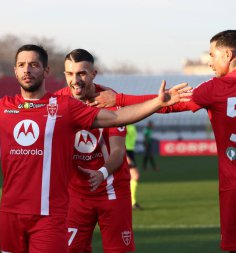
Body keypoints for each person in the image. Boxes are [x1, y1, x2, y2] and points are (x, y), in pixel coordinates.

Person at [0, 44, 190, 253]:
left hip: (50, 216)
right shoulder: (3, 107)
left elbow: (117, 116)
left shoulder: (65, 107)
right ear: (15, 71)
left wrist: (154, 103)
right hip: (10, 215)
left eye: (33, 65)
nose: (27, 70)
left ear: (45, 71)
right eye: (21, 65)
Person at [89, 30, 236, 253]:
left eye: (212, 55)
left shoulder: (215, 88)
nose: (210, 63)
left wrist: (118, 99)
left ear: (227, 54)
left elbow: (167, 104)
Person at [54, 49, 135, 252]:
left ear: (93, 73)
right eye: (70, 74)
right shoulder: (55, 103)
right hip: (75, 195)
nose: (75, 80)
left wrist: (101, 173)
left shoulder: (110, 100)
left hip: (112, 190)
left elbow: (117, 151)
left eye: (81, 73)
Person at [125, 124, 142, 210]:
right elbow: (119, 140)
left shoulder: (130, 123)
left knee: (130, 177)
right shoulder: (125, 124)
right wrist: (126, 156)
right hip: (126, 151)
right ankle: (132, 202)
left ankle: (130, 201)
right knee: (134, 176)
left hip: (130, 151)